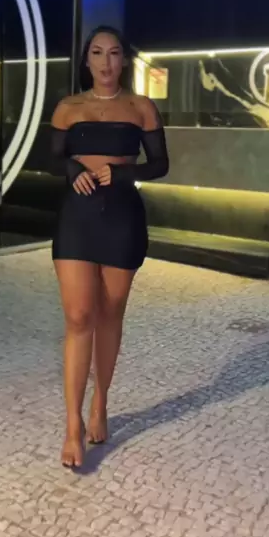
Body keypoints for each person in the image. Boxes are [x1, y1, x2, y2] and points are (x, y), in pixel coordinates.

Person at [49, 26, 169, 468]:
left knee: (110, 313)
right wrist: (72, 170)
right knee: (79, 316)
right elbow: (52, 158)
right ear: (87, 60)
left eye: (114, 53)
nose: (106, 62)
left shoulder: (141, 107)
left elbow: (160, 164)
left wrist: (122, 174)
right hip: (77, 217)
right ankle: (72, 426)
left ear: (124, 61)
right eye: (97, 53)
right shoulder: (68, 107)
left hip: (122, 217)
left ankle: (100, 401)